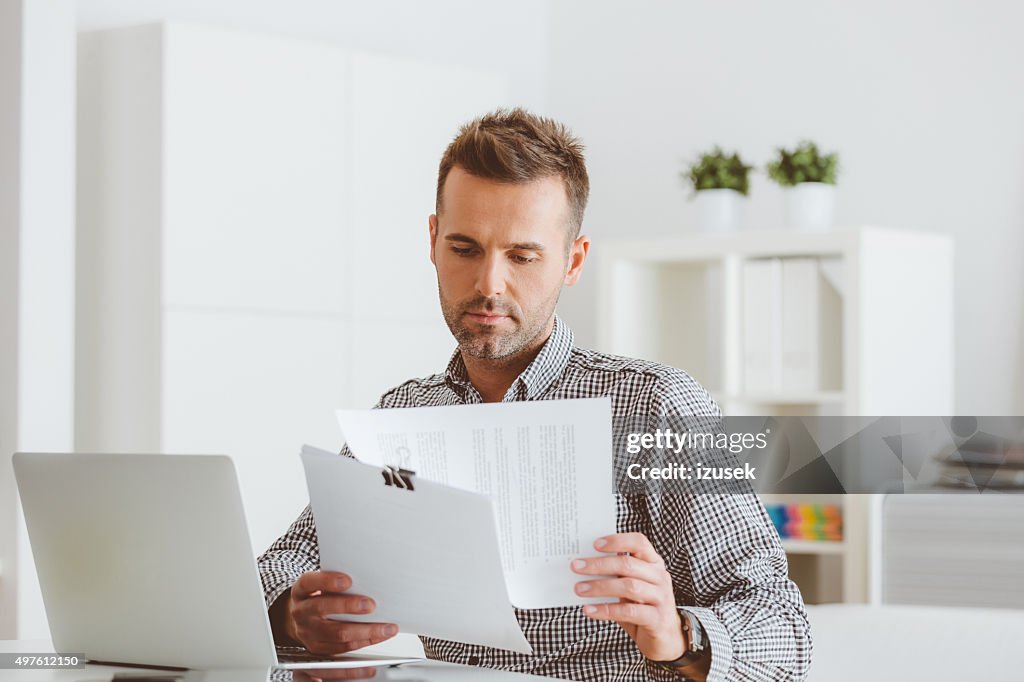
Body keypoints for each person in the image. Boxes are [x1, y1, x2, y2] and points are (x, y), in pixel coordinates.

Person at [258, 108, 812, 681]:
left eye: (522, 257)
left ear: (573, 261)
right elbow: (276, 569)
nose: (488, 285)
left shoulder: (656, 405)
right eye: (465, 249)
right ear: (432, 241)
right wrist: (291, 616)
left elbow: (784, 632)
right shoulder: (405, 415)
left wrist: (680, 636)